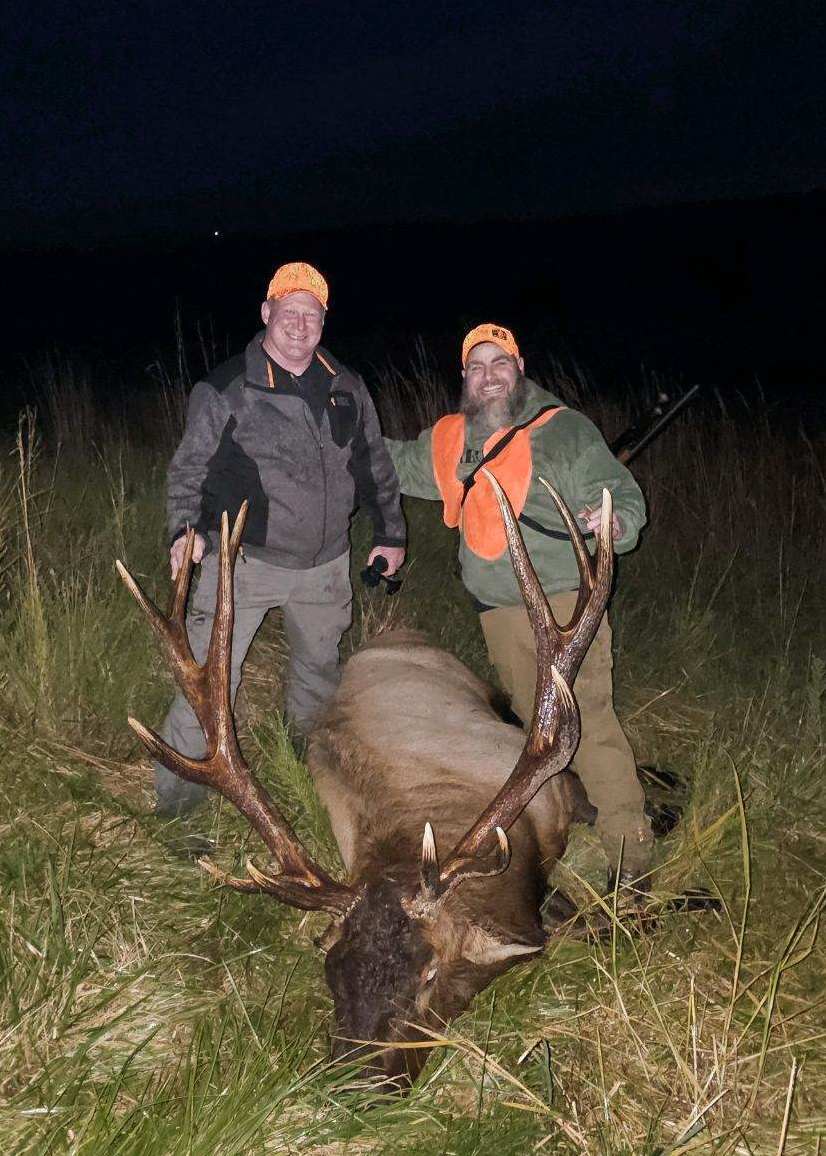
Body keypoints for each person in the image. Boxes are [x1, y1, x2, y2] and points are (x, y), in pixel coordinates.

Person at [385, 323, 653, 886]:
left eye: (498, 364)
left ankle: (630, 857)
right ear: (464, 378)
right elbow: (392, 463)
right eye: (476, 368)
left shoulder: (566, 433)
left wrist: (616, 521)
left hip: (563, 609)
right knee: (538, 731)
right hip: (498, 611)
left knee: (591, 722)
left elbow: (622, 494)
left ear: (520, 368)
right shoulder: (452, 440)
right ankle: (567, 816)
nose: (488, 377)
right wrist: (336, 437)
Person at [156, 261, 405, 817]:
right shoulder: (226, 388)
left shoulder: (346, 385)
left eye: (311, 313)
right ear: (266, 313)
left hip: (326, 566)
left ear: (323, 321)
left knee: (318, 671)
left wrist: (391, 532)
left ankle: (303, 765)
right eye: (288, 311)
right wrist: (184, 531)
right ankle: (179, 806)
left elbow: (374, 465)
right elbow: (189, 469)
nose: (299, 323)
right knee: (210, 679)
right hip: (242, 561)